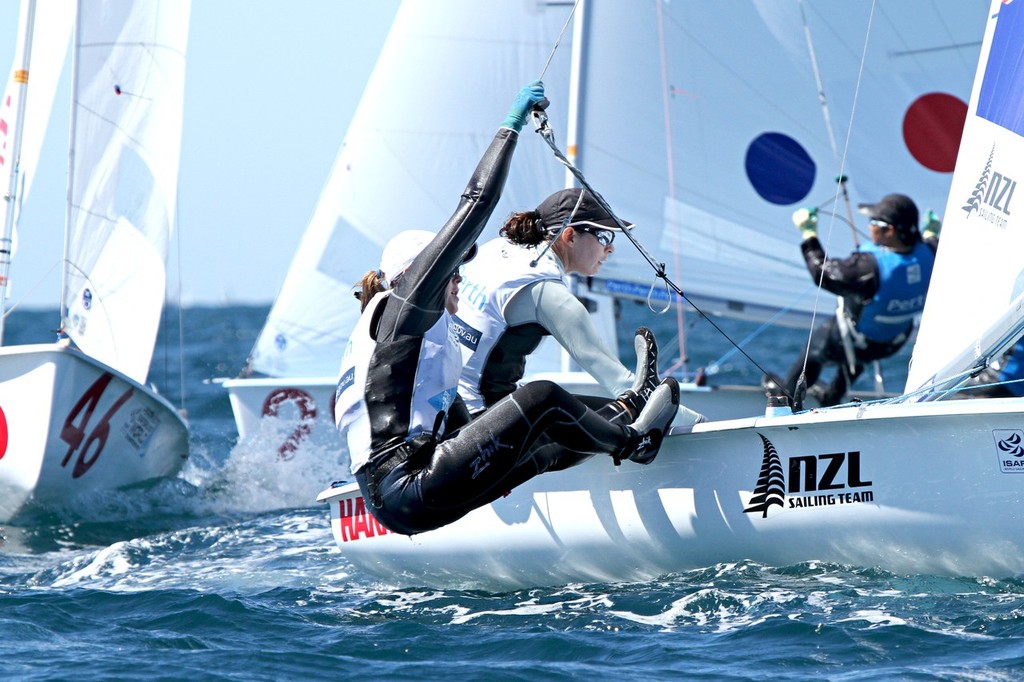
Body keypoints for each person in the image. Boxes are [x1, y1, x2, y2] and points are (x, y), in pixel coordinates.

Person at [333, 81, 681, 536]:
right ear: (412, 279)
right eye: (451, 271)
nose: (457, 278)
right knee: (542, 396)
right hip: (406, 487)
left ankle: (631, 411)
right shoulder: (403, 313)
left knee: (549, 437)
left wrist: (501, 448)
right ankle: (636, 444)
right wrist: (510, 126)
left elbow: (451, 423)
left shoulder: (402, 344)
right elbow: (476, 205)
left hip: (410, 487)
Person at [454, 187, 703, 426]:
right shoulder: (547, 293)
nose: (611, 248)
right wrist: (700, 425)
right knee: (629, 410)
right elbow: (623, 384)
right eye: (604, 236)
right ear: (570, 236)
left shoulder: (494, 248)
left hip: (447, 407)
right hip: (482, 424)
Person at [767, 193, 940, 409]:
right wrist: (932, 229)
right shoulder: (934, 252)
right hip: (892, 343)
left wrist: (808, 233)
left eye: (873, 223)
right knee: (857, 350)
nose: (869, 227)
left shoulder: (868, 268)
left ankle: (786, 402)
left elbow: (824, 273)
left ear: (890, 230)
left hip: (858, 342)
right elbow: (929, 241)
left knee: (816, 349)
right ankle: (831, 396)